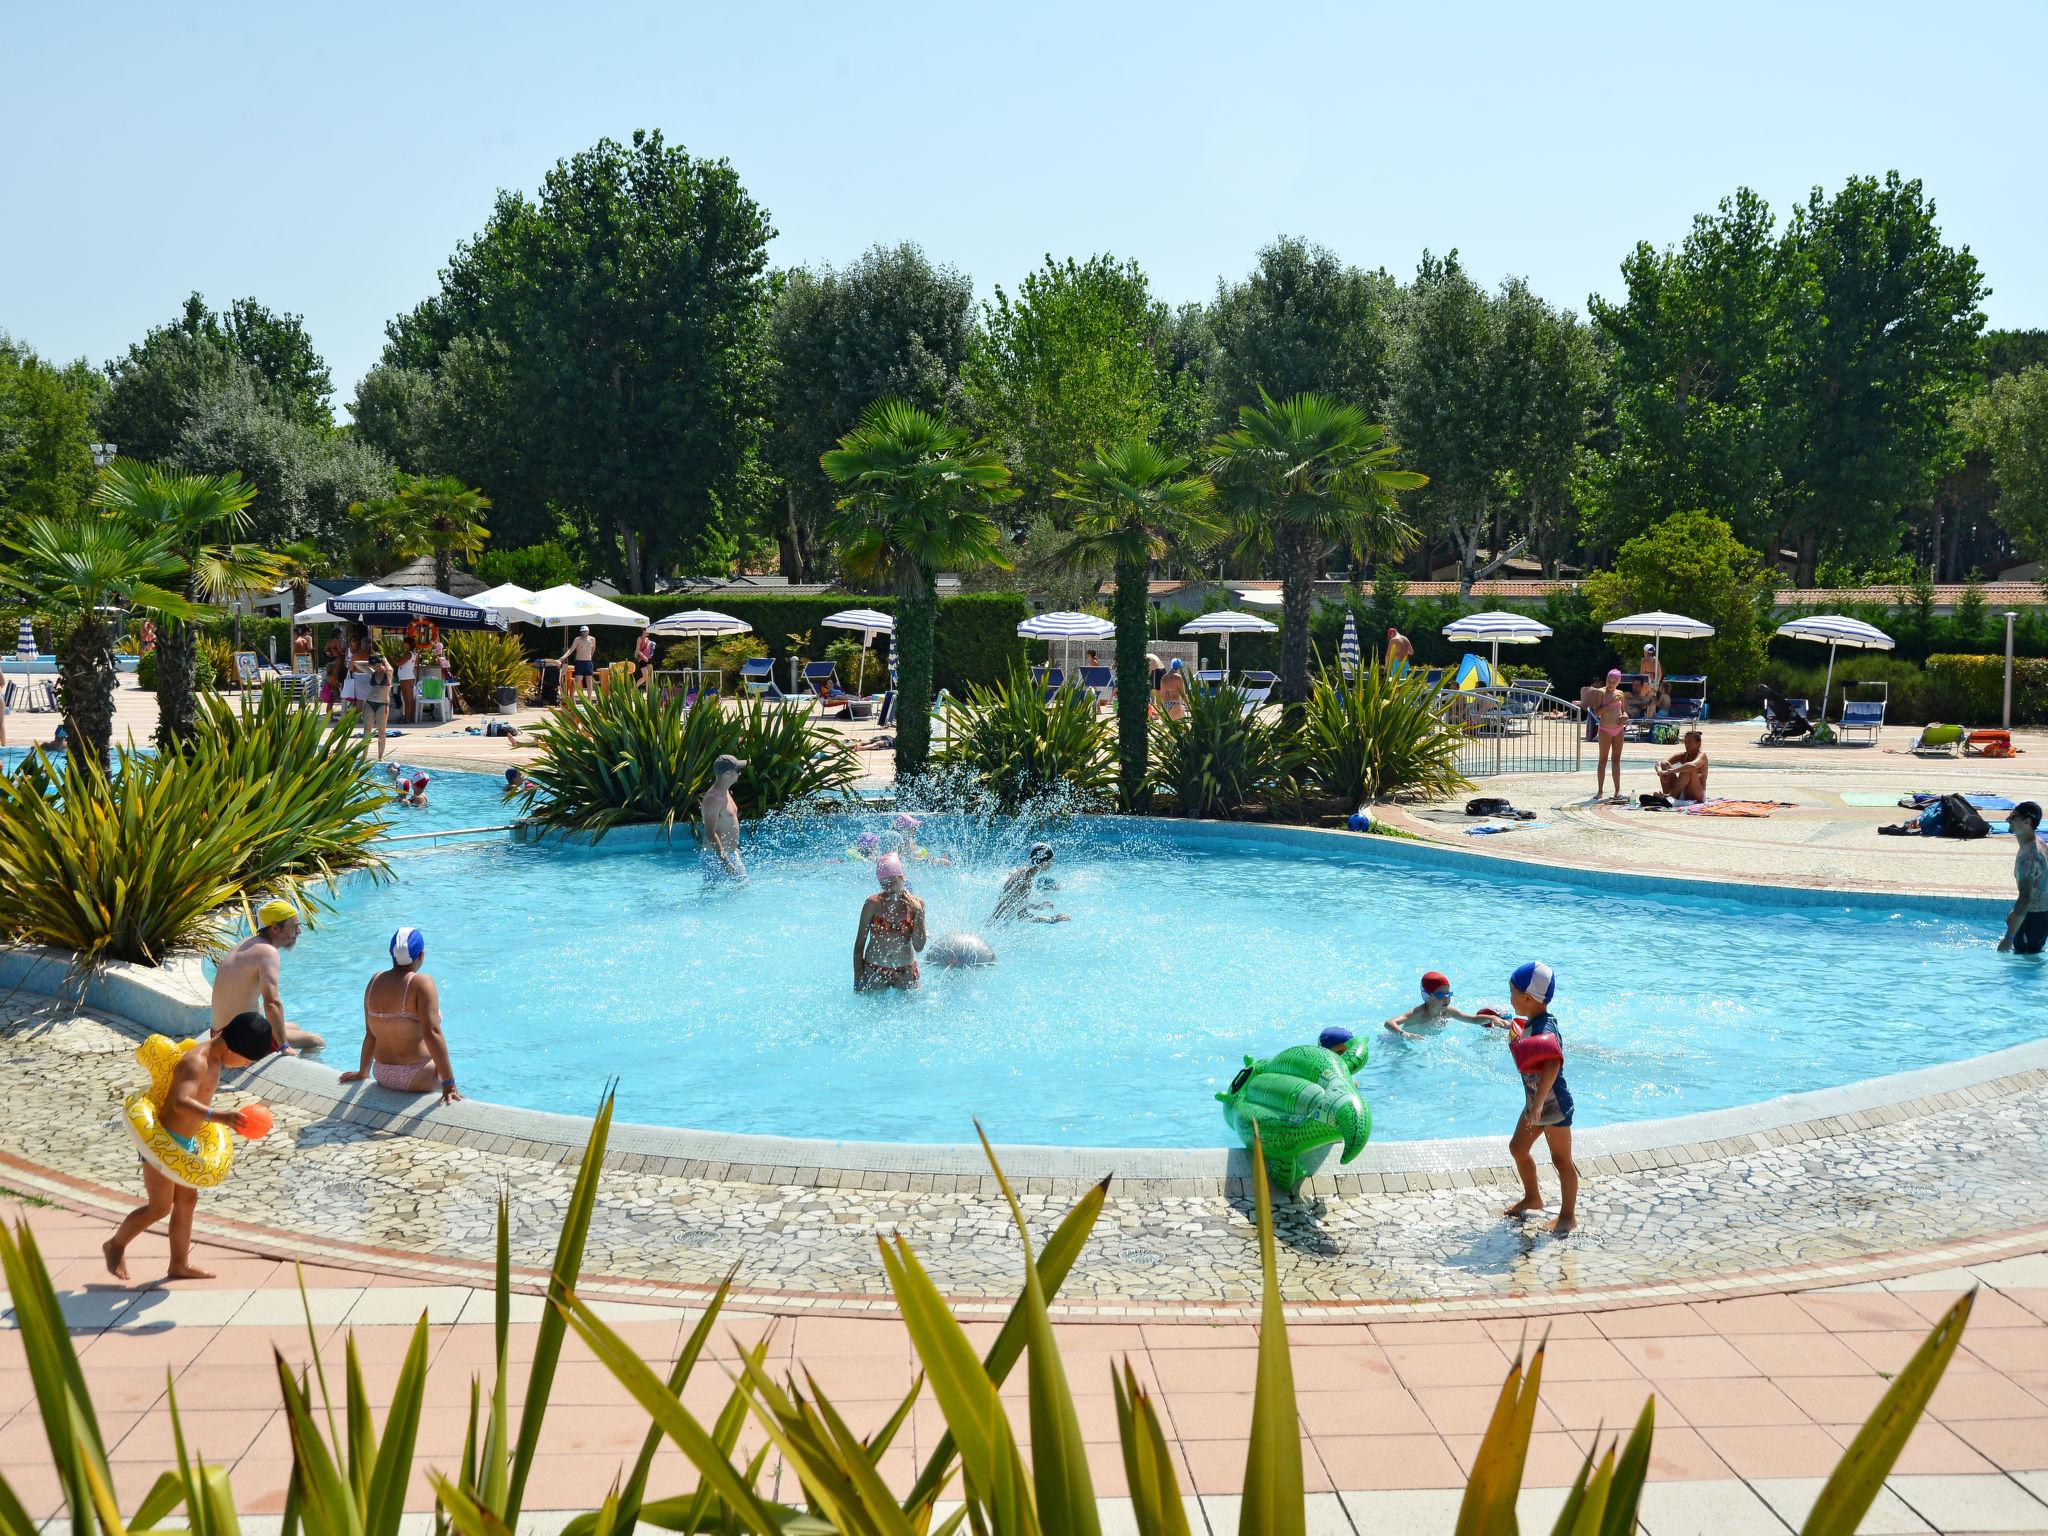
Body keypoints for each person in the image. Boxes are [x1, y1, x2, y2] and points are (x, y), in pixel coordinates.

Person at [101, 1010, 276, 1281]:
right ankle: (115, 1245)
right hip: (165, 1142)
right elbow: (180, 1102)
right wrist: (220, 1116)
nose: (244, 1066)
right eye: (246, 1061)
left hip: (187, 1142)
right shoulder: (198, 1062)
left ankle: (178, 1264)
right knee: (159, 1207)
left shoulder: (217, 1058)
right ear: (236, 1049)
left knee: (187, 1201)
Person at [1499, 960, 1577, 1236]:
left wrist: (1539, 1105)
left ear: (1528, 998)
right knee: (1518, 1149)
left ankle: (1567, 1216)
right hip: (1536, 1102)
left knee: (1561, 1161)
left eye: (1512, 993)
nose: (1510, 998)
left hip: (1553, 1106)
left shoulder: (1546, 1028)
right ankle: (1533, 1197)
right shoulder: (1533, 1023)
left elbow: (1553, 1062)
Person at [340, 927, 461, 1102]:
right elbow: (432, 1034)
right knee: (449, 1072)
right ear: (421, 955)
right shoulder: (421, 982)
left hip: (381, 1073)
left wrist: (362, 1072)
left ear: (392, 954)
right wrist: (449, 1083)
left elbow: (370, 1034)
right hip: (419, 1076)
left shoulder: (374, 980)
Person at [211, 900, 326, 1053]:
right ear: (275, 928)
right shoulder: (267, 952)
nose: (299, 931)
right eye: (295, 926)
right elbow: (272, 1003)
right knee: (316, 1041)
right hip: (238, 1042)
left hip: (219, 1033)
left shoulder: (248, 943)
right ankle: (296, 1068)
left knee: (294, 1027)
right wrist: (284, 1046)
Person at [855, 852, 926, 990]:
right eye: (883, 884)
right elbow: (859, 945)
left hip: (905, 970)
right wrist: (857, 979)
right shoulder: (872, 904)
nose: (888, 888)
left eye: (892, 882)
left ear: (901, 877)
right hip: (874, 969)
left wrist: (919, 913)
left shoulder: (917, 905)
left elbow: (919, 946)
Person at [1383, 970, 1500, 1039]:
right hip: (1398, 1041)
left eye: (1448, 994)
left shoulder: (1448, 1011)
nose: (1446, 998)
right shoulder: (1418, 1013)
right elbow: (1389, 1023)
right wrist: (1406, 1035)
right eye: (1440, 995)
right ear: (1427, 996)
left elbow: (1473, 1019)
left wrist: (1492, 1018)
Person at [1999, 800, 2048, 955]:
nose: (2007, 819)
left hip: (2032, 921)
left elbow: (2025, 898)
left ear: (2027, 822)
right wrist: (2015, 914)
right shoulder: (2040, 843)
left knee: (2024, 969)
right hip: (2039, 918)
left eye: (2013, 817)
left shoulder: (2027, 857)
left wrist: (2009, 937)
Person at [991, 842, 1070, 924]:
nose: (1052, 864)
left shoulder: (1022, 873)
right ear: (1045, 863)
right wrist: (1051, 920)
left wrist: (1037, 907)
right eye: (1051, 861)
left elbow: (1016, 903)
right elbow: (1022, 916)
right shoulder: (1026, 880)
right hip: (999, 926)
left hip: (995, 922)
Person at [700, 753, 746, 882]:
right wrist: (725, 862)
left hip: (729, 854)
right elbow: (710, 832)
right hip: (715, 857)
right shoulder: (713, 798)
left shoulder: (725, 792)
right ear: (727, 774)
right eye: (737, 771)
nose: (740, 774)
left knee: (742, 888)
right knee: (714, 895)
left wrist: (733, 848)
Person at [1588, 668, 1628, 802]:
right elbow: (1597, 712)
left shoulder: (1620, 693)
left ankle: (1617, 790)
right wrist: (1610, 703)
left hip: (1618, 729)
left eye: (1614, 682)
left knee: (1616, 760)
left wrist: (1624, 717)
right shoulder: (1600, 692)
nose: (1610, 683)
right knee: (1602, 760)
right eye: (1609, 680)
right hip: (1605, 729)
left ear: (1618, 682)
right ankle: (1600, 791)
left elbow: (1624, 712)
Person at [357, 645, 394, 760]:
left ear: (380, 663)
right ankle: (364, 755)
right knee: (367, 730)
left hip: (382, 705)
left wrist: (383, 659)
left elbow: (389, 668)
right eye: (373, 665)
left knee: (381, 732)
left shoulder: (388, 673)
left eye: (377, 665)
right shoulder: (372, 672)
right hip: (370, 703)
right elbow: (357, 664)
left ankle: (380, 757)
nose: (375, 667)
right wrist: (369, 663)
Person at [1655, 729, 1709, 801]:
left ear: (1698, 743)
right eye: (1685, 742)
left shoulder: (1702, 756)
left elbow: (1692, 766)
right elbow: (1660, 763)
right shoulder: (1683, 755)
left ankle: (1671, 797)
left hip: (1697, 795)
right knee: (1665, 764)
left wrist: (1672, 771)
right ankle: (1666, 794)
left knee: (1688, 768)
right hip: (1681, 792)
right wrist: (1660, 772)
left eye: (1689, 742)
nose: (1686, 744)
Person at [558, 625, 598, 701]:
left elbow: (593, 649)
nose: (583, 633)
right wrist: (563, 657)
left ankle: (589, 700)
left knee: (589, 681)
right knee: (577, 680)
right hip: (579, 662)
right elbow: (571, 649)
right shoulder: (577, 639)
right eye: (582, 632)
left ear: (588, 632)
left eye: (585, 632)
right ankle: (572, 698)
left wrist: (589, 657)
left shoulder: (592, 639)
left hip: (588, 662)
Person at [396, 640, 420, 722]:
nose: (402, 644)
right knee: (409, 698)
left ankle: (407, 718)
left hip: (406, 677)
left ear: (408, 644)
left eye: (404, 642)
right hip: (407, 677)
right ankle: (411, 717)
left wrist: (392, 658)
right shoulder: (413, 653)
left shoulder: (409, 653)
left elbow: (399, 663)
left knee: (407, 699)